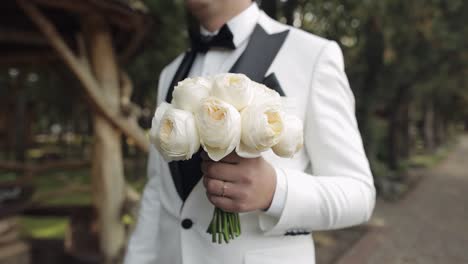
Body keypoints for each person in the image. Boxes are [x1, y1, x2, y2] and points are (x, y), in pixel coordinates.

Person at [124, 0, 376, 263]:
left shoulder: (313, 54)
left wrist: (275, 192)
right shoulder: (170, 73)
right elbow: (157, 191)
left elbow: (360, 194)